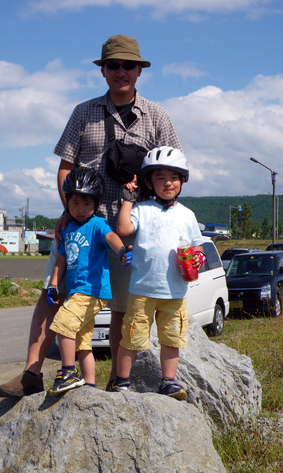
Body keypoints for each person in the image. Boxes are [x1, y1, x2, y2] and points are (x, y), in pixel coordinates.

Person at [0, 34, 182, 398]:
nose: (121, 72)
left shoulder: (158, 117)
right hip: (81, 225)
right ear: (103, 71)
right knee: (53, 295)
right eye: (113, 65)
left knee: (123, 308)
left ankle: (117, 381)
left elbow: (172, 170)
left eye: (128, 65)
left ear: (140, 71)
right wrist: (70, 211)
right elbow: (66, 168)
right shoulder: (83, 112)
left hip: (131, 231)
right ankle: (32, 372)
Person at [111, 146, 205, 401]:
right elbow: (123, 229)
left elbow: (198, 246)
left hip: (175, 291)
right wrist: (127, 199)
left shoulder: (187, 215)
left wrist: (198, 258)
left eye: (174, 177)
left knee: (172, 339)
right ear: (149, 183)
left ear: (182, 181)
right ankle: (121, 382)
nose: (167, 183)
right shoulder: (142, 209)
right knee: (131, 338)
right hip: (142, 290)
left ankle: (168, 381)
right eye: (160, 178)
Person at [45, 168, 132, 394]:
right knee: (83, 343)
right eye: (75, 203)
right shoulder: (67, 229)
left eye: (86, 203)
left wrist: (121, 250)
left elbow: (111, 237)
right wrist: (53, 285)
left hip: (92, 291)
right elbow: (61, 260)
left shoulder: (97, 224)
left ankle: (68, 372)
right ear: (66, 202)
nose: (80, 209)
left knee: (63, 323)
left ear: (96, 203)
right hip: (76, 292)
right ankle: (90, 387)